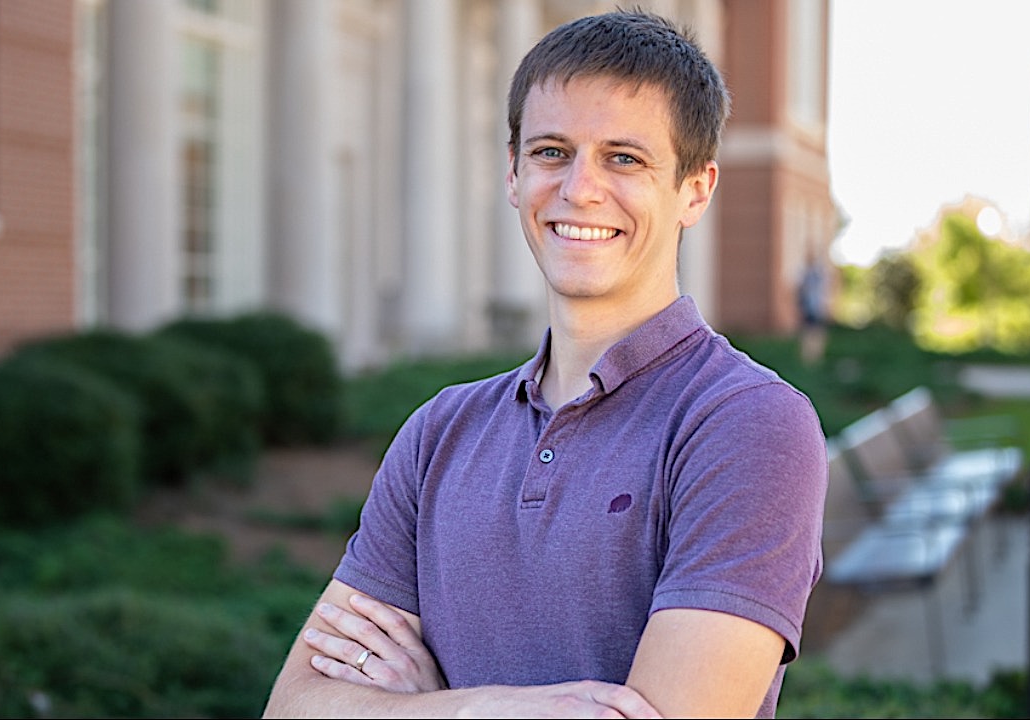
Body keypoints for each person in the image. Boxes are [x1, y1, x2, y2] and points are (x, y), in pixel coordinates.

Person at [263, 9, 827, 718]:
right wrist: (477, 710)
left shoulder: (748, 425)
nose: (579, 188)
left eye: (624, 157)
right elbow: (294, 706)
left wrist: (413, 705)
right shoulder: (439, 432)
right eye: (552, 152)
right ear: (513, 173)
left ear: (695, 189)